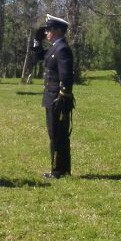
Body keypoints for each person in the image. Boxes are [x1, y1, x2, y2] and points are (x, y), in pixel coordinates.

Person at [32, 14, 74, 179]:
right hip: (51, 96)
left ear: (57, 30)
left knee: (57, 135)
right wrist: (37, 42)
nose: (46, 32)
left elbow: (67, 75)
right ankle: (62, 170)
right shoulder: (54, 47)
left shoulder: (62, 48)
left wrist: (63, 95)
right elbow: (38, 57)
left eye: (49, 29)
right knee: (56, 135)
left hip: (57, 98)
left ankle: (58, 171)